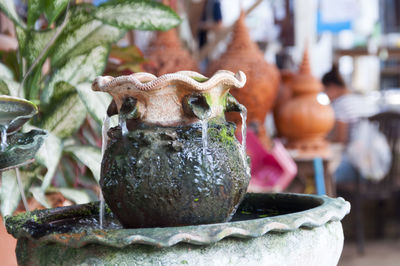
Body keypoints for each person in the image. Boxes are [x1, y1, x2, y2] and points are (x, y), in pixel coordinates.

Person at [322, 64, 378, 182]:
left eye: (325, 91)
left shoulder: (341, 104)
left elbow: (340, 139)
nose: (326, 95)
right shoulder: (360, 100)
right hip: (377, 165)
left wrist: (322, 139)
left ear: (332, 87)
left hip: (357, 167)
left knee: (322, 175)